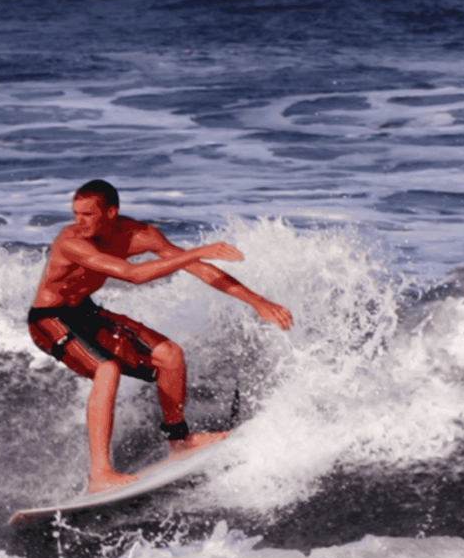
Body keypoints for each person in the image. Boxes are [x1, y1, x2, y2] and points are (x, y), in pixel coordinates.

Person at [28, 179, 293, 492]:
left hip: (86, 312)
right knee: (107, 369)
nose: (78, 221)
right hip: (49, 319)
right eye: (76, 213)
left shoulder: (140, 235)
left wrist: (258, 302)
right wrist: (197, 252)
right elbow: (133, 275)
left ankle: (179, 441)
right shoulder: (70, 241)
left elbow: (202, 270)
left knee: (169, 355)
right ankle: (99, 473)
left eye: (87, 214)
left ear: (110, 213)